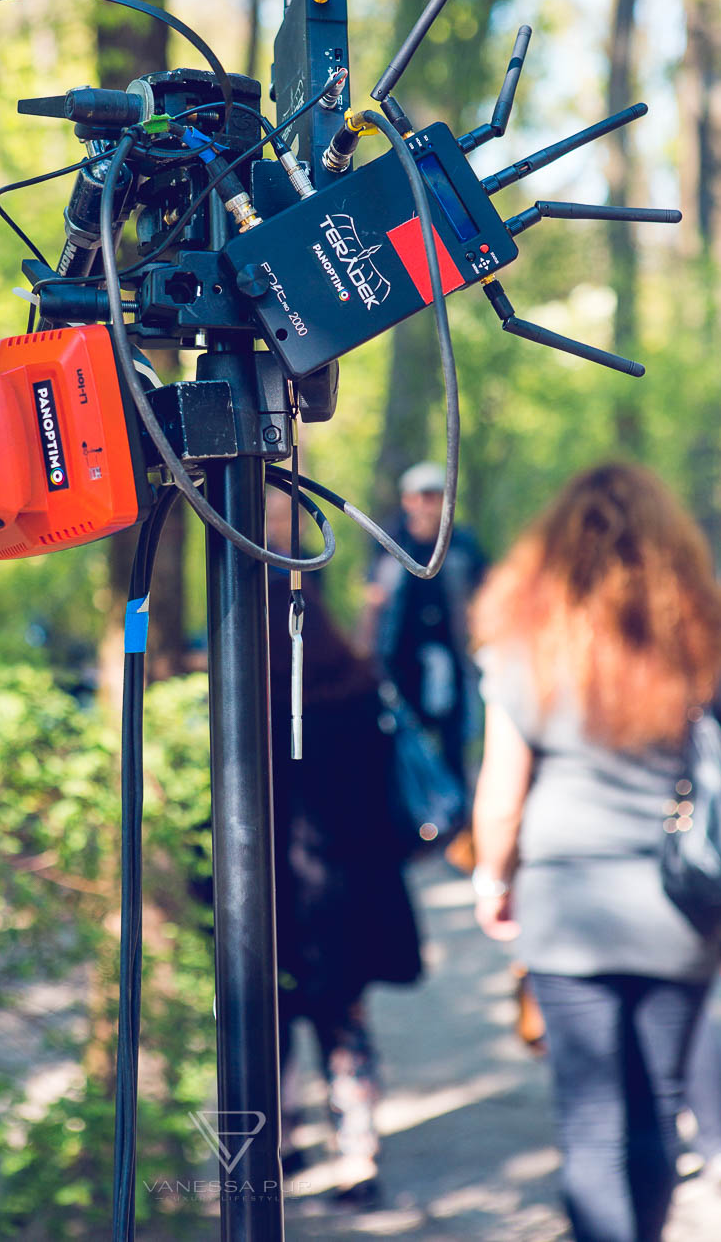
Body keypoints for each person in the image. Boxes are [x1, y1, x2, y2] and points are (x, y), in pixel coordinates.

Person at [470, 462, 721, 1242]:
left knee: (590, 1118)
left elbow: (503, 787)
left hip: (564, 901)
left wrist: (492, 878)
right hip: (677, 905)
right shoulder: (704, 641)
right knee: (656, 1109)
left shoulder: (526, 648)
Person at [265, 524, 423, 1204]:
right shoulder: (359, 685)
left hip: (272, 890)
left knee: (270, 1024)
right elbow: (386, 800)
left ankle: (279, 1147)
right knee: (345, 1025)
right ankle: (359, 1157)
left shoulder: (251, 699)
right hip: (349, 892)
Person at [360, 461, 485, 789]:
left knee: (455, 743)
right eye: (421, 496)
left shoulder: (463, 543)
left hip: (453, 659)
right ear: (407, 500)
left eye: (434, 496)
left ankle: (458, 819)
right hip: (398, 662)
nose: (427, 504)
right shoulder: (388, 542)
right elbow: (373, 600)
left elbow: (483, 597)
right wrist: (364, 654)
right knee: (398, 741)